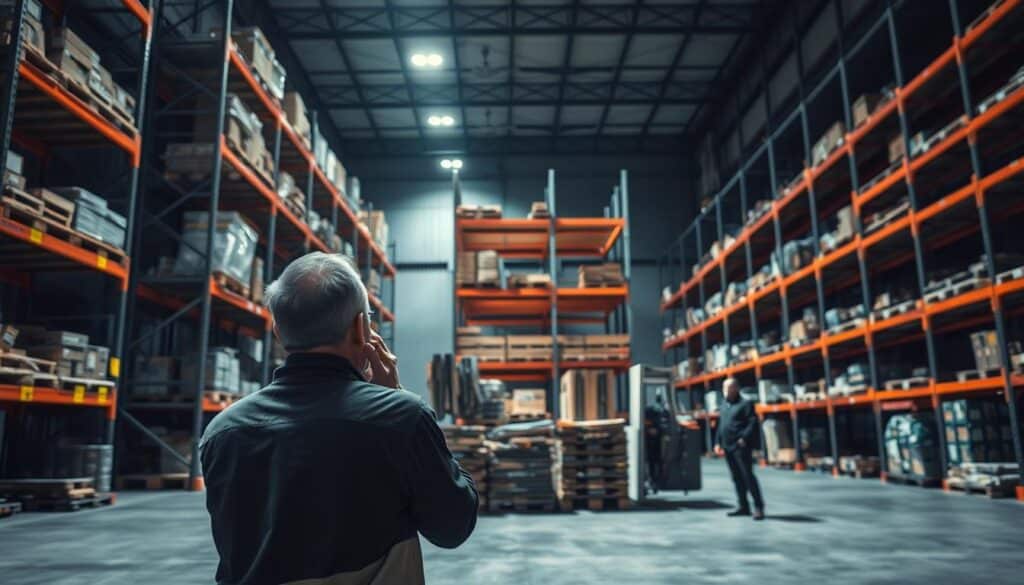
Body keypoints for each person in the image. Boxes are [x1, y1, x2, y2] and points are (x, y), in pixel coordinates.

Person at [199, 252, 478, 585]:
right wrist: (397, 396)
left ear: (277, 330)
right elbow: (453, 527)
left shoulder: (222, 432)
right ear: (362, 327)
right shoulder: (402, 418)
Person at [714, 377, 765, 520]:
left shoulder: (746, 404)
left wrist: (744, 438)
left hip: (740, 446)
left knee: (747, 476)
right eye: (724, 388)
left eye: (728, 388)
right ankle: (743, 506)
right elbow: (721, 425)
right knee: (736, 478)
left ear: (736, 388)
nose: (725, 391)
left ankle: (759, 507)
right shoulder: (724, 405)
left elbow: (752, 423)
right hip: (727, 446)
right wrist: (717, 442)